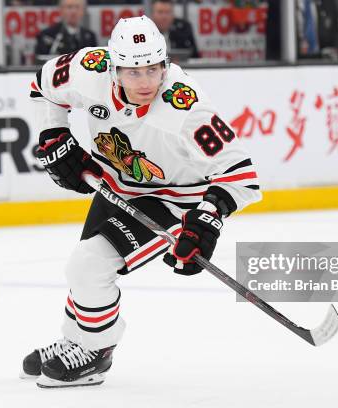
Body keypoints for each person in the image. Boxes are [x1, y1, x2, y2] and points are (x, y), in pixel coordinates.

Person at [21, 15, 261, 388]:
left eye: (154, 68)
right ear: (112, 68)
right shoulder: (89, 70)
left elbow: (240, 173)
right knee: (85, 269)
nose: (146, 81)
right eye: (133, 72)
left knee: (89, 265)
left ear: (166, 63)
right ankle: (78, 340)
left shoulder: (186, 107)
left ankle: (96, 352)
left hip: (172, 199)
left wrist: (206, 219)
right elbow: (43, 85)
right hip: (116, 185)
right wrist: (53, 132)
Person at [34, 0, 97, 65]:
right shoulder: (47, 35)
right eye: (69, 7)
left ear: (83, 11)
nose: (73, 11)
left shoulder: (90, 36)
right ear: (61, 10)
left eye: (77, 7)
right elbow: (39, 63)